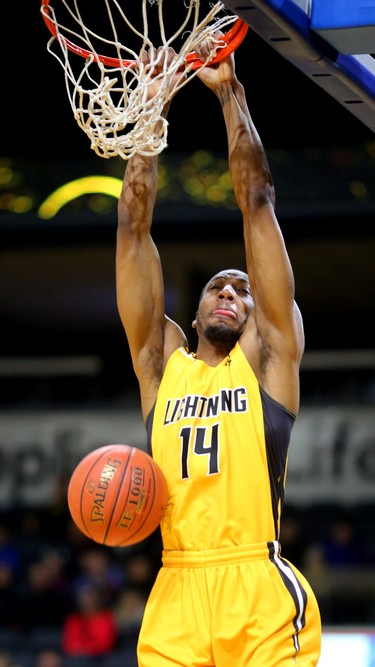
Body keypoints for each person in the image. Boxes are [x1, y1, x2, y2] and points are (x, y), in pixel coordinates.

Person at [115, 40, 322, 667]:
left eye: (242, 289)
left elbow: (257, 203)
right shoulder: (160, 363)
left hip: (255, 588)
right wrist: (151, 110)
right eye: (217, 286)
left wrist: (231, 93)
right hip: (175, 589)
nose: (230, 292)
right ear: (197, 309)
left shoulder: (268, 360)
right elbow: (133, 229)